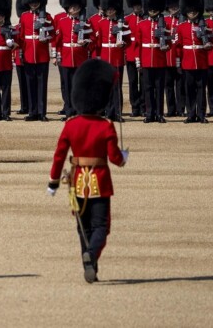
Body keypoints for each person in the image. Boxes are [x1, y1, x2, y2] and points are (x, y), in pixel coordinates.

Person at [47, 58, 128, 283]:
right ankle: (91, 256)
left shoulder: (71, 124)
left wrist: (53, 182)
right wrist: (124, 158)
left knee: (82, 226)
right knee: (101, 226)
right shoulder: (105, 126)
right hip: (100, 181)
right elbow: (115, 159)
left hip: (76, 182)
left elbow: (59, 156)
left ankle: (90, 261)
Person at [132, 0, 171, 124]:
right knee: (147, 88)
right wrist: (138, 61)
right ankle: (149, 113)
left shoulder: (165, 24)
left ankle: (159, 113)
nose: (153, 10)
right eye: (150, 8)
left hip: (160, 59)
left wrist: (167, 47)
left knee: (160, 88)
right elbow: (137, 44)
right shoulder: (141, 24)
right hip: (146, 60)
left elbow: (169, 41)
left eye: (155, 8)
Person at [55, 0, 94, 120]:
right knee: (67, 85)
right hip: (66, 57)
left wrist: (86, 43)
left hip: (80, 57)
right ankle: (69, 110)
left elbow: (93, 39)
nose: (74, 9)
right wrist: (56, 56)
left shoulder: (86, 22)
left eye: (76, 6)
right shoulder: (63, 21)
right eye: (71, 6)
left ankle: (79, 110)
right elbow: (57, 41)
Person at [174, 0, 213, 124]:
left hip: (201, 62)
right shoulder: (181, 27)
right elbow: (178, 46)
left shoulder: (206, 26)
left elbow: (212, 43)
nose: (192, 13)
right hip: (188, 62)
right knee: (189, 89)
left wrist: (209, 45)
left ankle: (201, 114)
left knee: (202, 89)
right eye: (189, 11)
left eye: (194, 10)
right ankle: (191, 114)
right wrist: (178, 62)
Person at [93, 0, 130, 121]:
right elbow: (97, 42)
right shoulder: (101, 23)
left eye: (112, 9)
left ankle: (117, 112)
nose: (110, 12)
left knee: (117, 87)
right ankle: (108, 111)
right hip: (104, 58)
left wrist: (123, 44)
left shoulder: (123, 23)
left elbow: (128, 41)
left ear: (116, 9)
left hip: (117, 58)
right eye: (108, 9)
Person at [19, 0, 54, 121]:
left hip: (42, 55)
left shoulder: (47, 16)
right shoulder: (24, 16)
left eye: (36, 0)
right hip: (28, 54)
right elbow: (21, 37)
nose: (34, 3)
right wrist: (20, 52)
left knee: (41, 85)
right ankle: (32, 111)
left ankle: (42, 112)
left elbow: (52, 34)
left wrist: (47, 38)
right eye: (31, 1)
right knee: (30, 84)